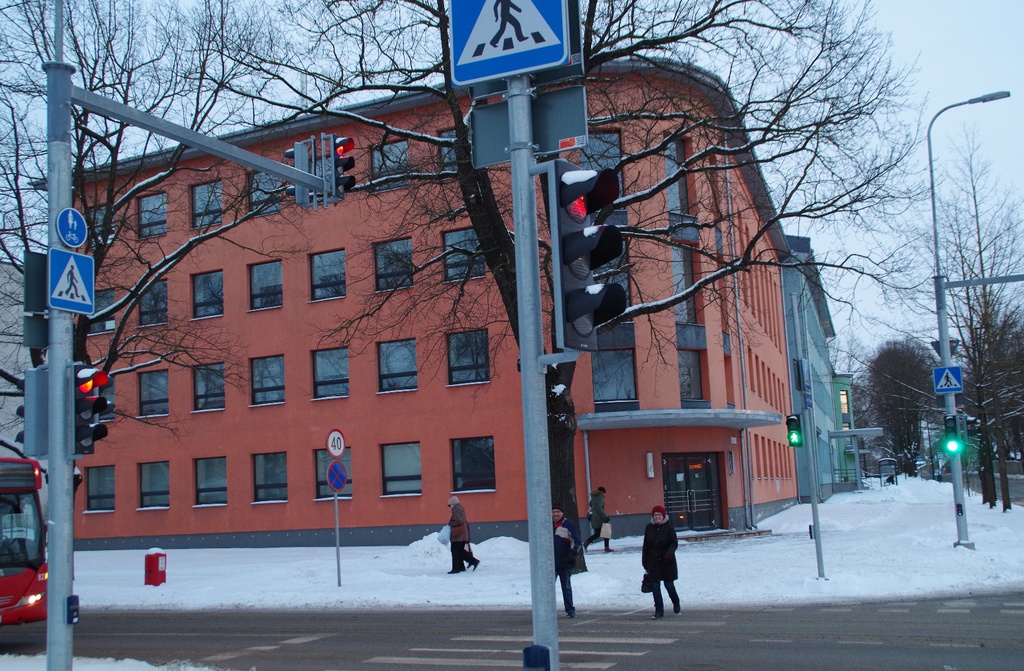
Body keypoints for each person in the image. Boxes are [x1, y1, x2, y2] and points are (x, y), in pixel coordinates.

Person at [642, 504, 680, 619]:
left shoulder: (669, 527)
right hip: (653, 562)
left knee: (669, 585)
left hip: (666, 562)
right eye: (655, 515)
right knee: (655, 587)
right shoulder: (649, 527)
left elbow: (674, 543)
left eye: (659, 515)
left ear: (663, 516)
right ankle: (659, 611)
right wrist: (644, 561)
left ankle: (676, 602)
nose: (657, 517)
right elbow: (646, 546)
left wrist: (669, 553)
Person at [552, 502, 581, 618]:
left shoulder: (568, 524)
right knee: (548, 589)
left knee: (566, 587)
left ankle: (570, 610)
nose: (555, 514)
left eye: (558, 512)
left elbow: (576, 539)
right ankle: (546, 611)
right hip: (551, 563)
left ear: (562, 513)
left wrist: (573, 552)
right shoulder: (547, 524)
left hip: (565, 562)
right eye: (553, 512)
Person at [447, 496, 480, 574]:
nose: (449, 507)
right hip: (461, 534)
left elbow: (458, 521)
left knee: (455, 551)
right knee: (460, 551)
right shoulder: (460, 509)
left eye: (449, 505)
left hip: (457, 535)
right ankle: (461, 566)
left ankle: (457, 568)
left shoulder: (456, 510)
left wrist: (450, 523)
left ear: (452, 504)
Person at [583, 486, 613, 552]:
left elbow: (590, 504)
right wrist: (605, 516)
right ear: (602, 492)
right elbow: (599, 507)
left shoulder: (594, 497)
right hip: (600, 517)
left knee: (598, 533)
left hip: (594, 517)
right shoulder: (600, 497)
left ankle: (587, 543)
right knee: (606, 531)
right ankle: (606, 547)